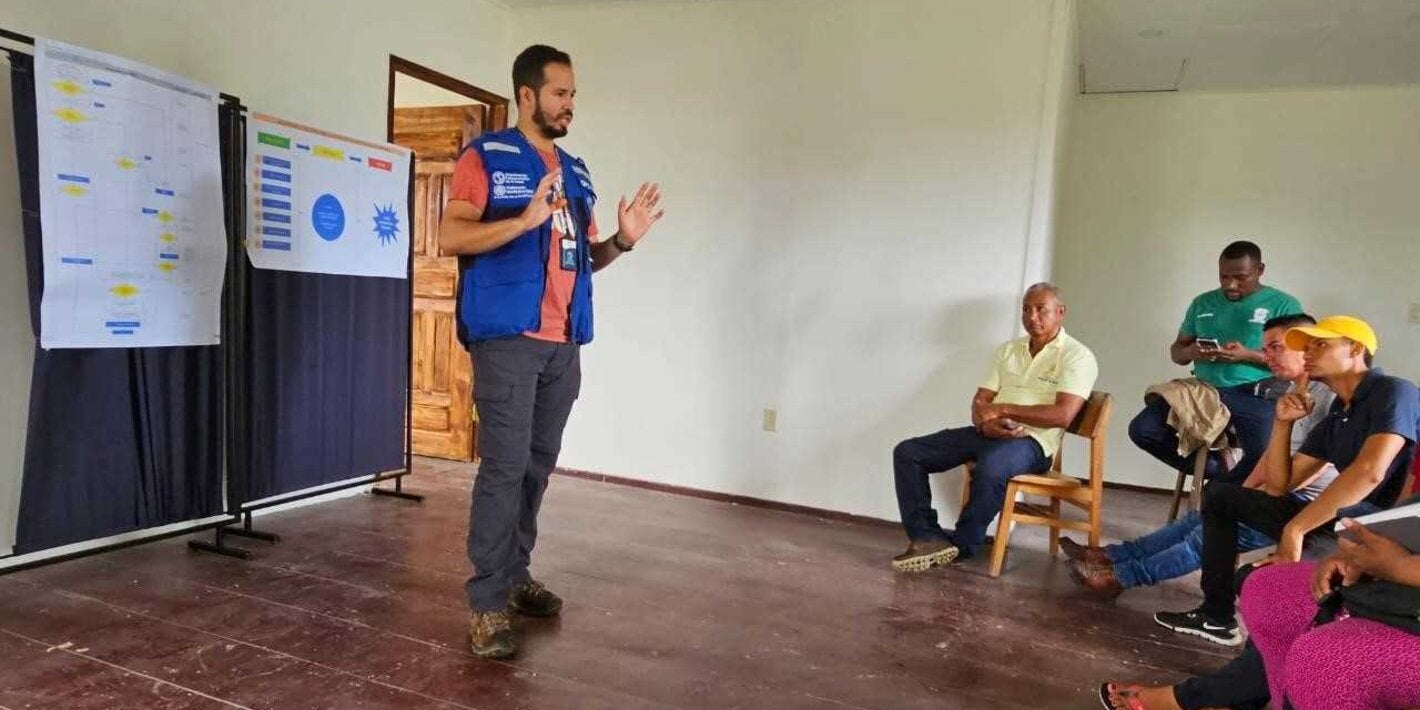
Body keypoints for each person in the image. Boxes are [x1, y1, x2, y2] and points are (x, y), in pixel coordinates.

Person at [438, 44, 666, 659]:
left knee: (536, 469)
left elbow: (585, 259)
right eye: (561, 93)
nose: (570, 104)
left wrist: (623, 239)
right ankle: (487, 605)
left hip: (563, 344)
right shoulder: (483, 156)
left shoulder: (576, 169)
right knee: (504, 470)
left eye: (574, 95)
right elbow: (450, 234)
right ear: (528, 95)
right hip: (508, 341)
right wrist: (523, 219)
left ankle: (514, 578)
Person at [1154, 316, 1419, 645]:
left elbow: (1369, 472)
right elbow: (1281, 485)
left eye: (1320, 344)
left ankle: (1284, 656)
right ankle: (1216, 616)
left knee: (1253, 580)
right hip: (1341, 523)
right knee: (1221, 494)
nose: (1308, 353)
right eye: (1306, 347)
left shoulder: (1393, 391)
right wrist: (1283, 424)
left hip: (1385, 534)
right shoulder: (1340, 413)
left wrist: (1295, 530)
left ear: (1356, 348)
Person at [1065, 314, 1337, 597]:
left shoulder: (1326, 398)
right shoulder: (1294, 389)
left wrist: (1248, 502)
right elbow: (1270, 455)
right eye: (1265, 348)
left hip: (1305, 506)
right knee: (1199, 515)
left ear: (1304, 344)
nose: (1267, 356)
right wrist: (1240, 497)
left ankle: (1120, 578)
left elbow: (1304, 475)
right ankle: (1113, 557)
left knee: (1202, 535)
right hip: (1280, 494)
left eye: (1276, 347)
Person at [1096, 499, 1420, 710]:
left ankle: (1190, 696)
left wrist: (1401, 568)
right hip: (1396, 589)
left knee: (1326, 660)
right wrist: (1356, 553)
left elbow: (1368, 474)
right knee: (1266, 587)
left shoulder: (1387, 398)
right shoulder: (1332, 410)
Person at [891, 283, 1098, 571]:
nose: (1032, 316)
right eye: (1026, 309)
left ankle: (961, 545)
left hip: (1033, 443)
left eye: (1041, 309)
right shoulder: (1007, 351)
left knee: (993, 463)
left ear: (1060, 313)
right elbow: (980, 402)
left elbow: (1063, 415)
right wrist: (985, 423)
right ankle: (927, 537)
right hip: (990, 433)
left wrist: (1004, 408)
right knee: (908, 452)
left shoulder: (1077, 356)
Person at [1129, 241, 1302, 486]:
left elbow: (1295, 364)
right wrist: (1192, 350)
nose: (1230, 284)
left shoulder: (1283, 305)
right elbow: (1177, 353)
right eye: (1224, 277)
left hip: (1256, 394)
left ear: (1260, 270)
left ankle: (1222, 495)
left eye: (1240, 277)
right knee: (1142, 430)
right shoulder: (1202, 303)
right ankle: (1218, 470)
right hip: (1202, 392)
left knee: (1263, 458)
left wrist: (1247, 355)